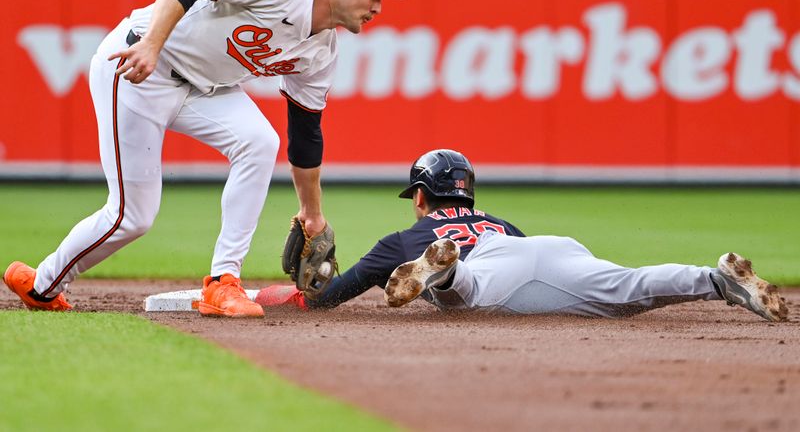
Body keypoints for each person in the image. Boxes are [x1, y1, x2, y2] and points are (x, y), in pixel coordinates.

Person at [3, 0, 406, 317]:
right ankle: (42, 285)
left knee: (259, 141)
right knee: (132, 216)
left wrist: (312, 214)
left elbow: (305, 135)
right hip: (140, 65)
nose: (378, 6)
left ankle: (222, 281)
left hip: (204, 88)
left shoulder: (322, 52)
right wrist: (152, 44)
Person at [256, 149, 789, 322]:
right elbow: (528, 264)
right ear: (467, 193)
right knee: (628, 287)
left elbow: (327, 298)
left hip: (483, 264)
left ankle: (446, 272)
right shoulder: (499, 220)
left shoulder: (403, 238)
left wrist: (305, 285)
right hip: (542, 246)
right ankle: (715, 280)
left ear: (420, 197)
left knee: (472, 293)